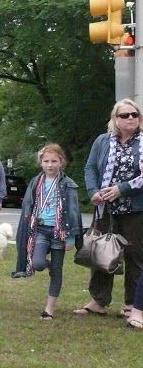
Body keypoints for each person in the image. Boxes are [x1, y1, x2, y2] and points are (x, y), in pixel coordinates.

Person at [75, 98, 143, 318]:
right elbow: (90, 167)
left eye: (135, 114)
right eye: (125, 115)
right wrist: (93, 191)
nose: (131, 118)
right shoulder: (103, 141)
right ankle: (99, 300)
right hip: (106, 208)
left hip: (136, 207)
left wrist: (121, 189)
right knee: (102, 253)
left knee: (135, 255)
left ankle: (133, 304)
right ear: (115, 119)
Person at [15, 144, 83, 319]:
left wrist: (71, 238)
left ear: (61, 162)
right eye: (46, 161)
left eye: (54, 161)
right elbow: (27, 206)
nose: (50, 165)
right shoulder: (35, 182)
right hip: (41, 230)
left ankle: (49, 310)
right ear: (41, 162)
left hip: (60, 231)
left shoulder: (68, 184)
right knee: (37, 263)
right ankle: (51, 267)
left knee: (58, 270)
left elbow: (74, 211)